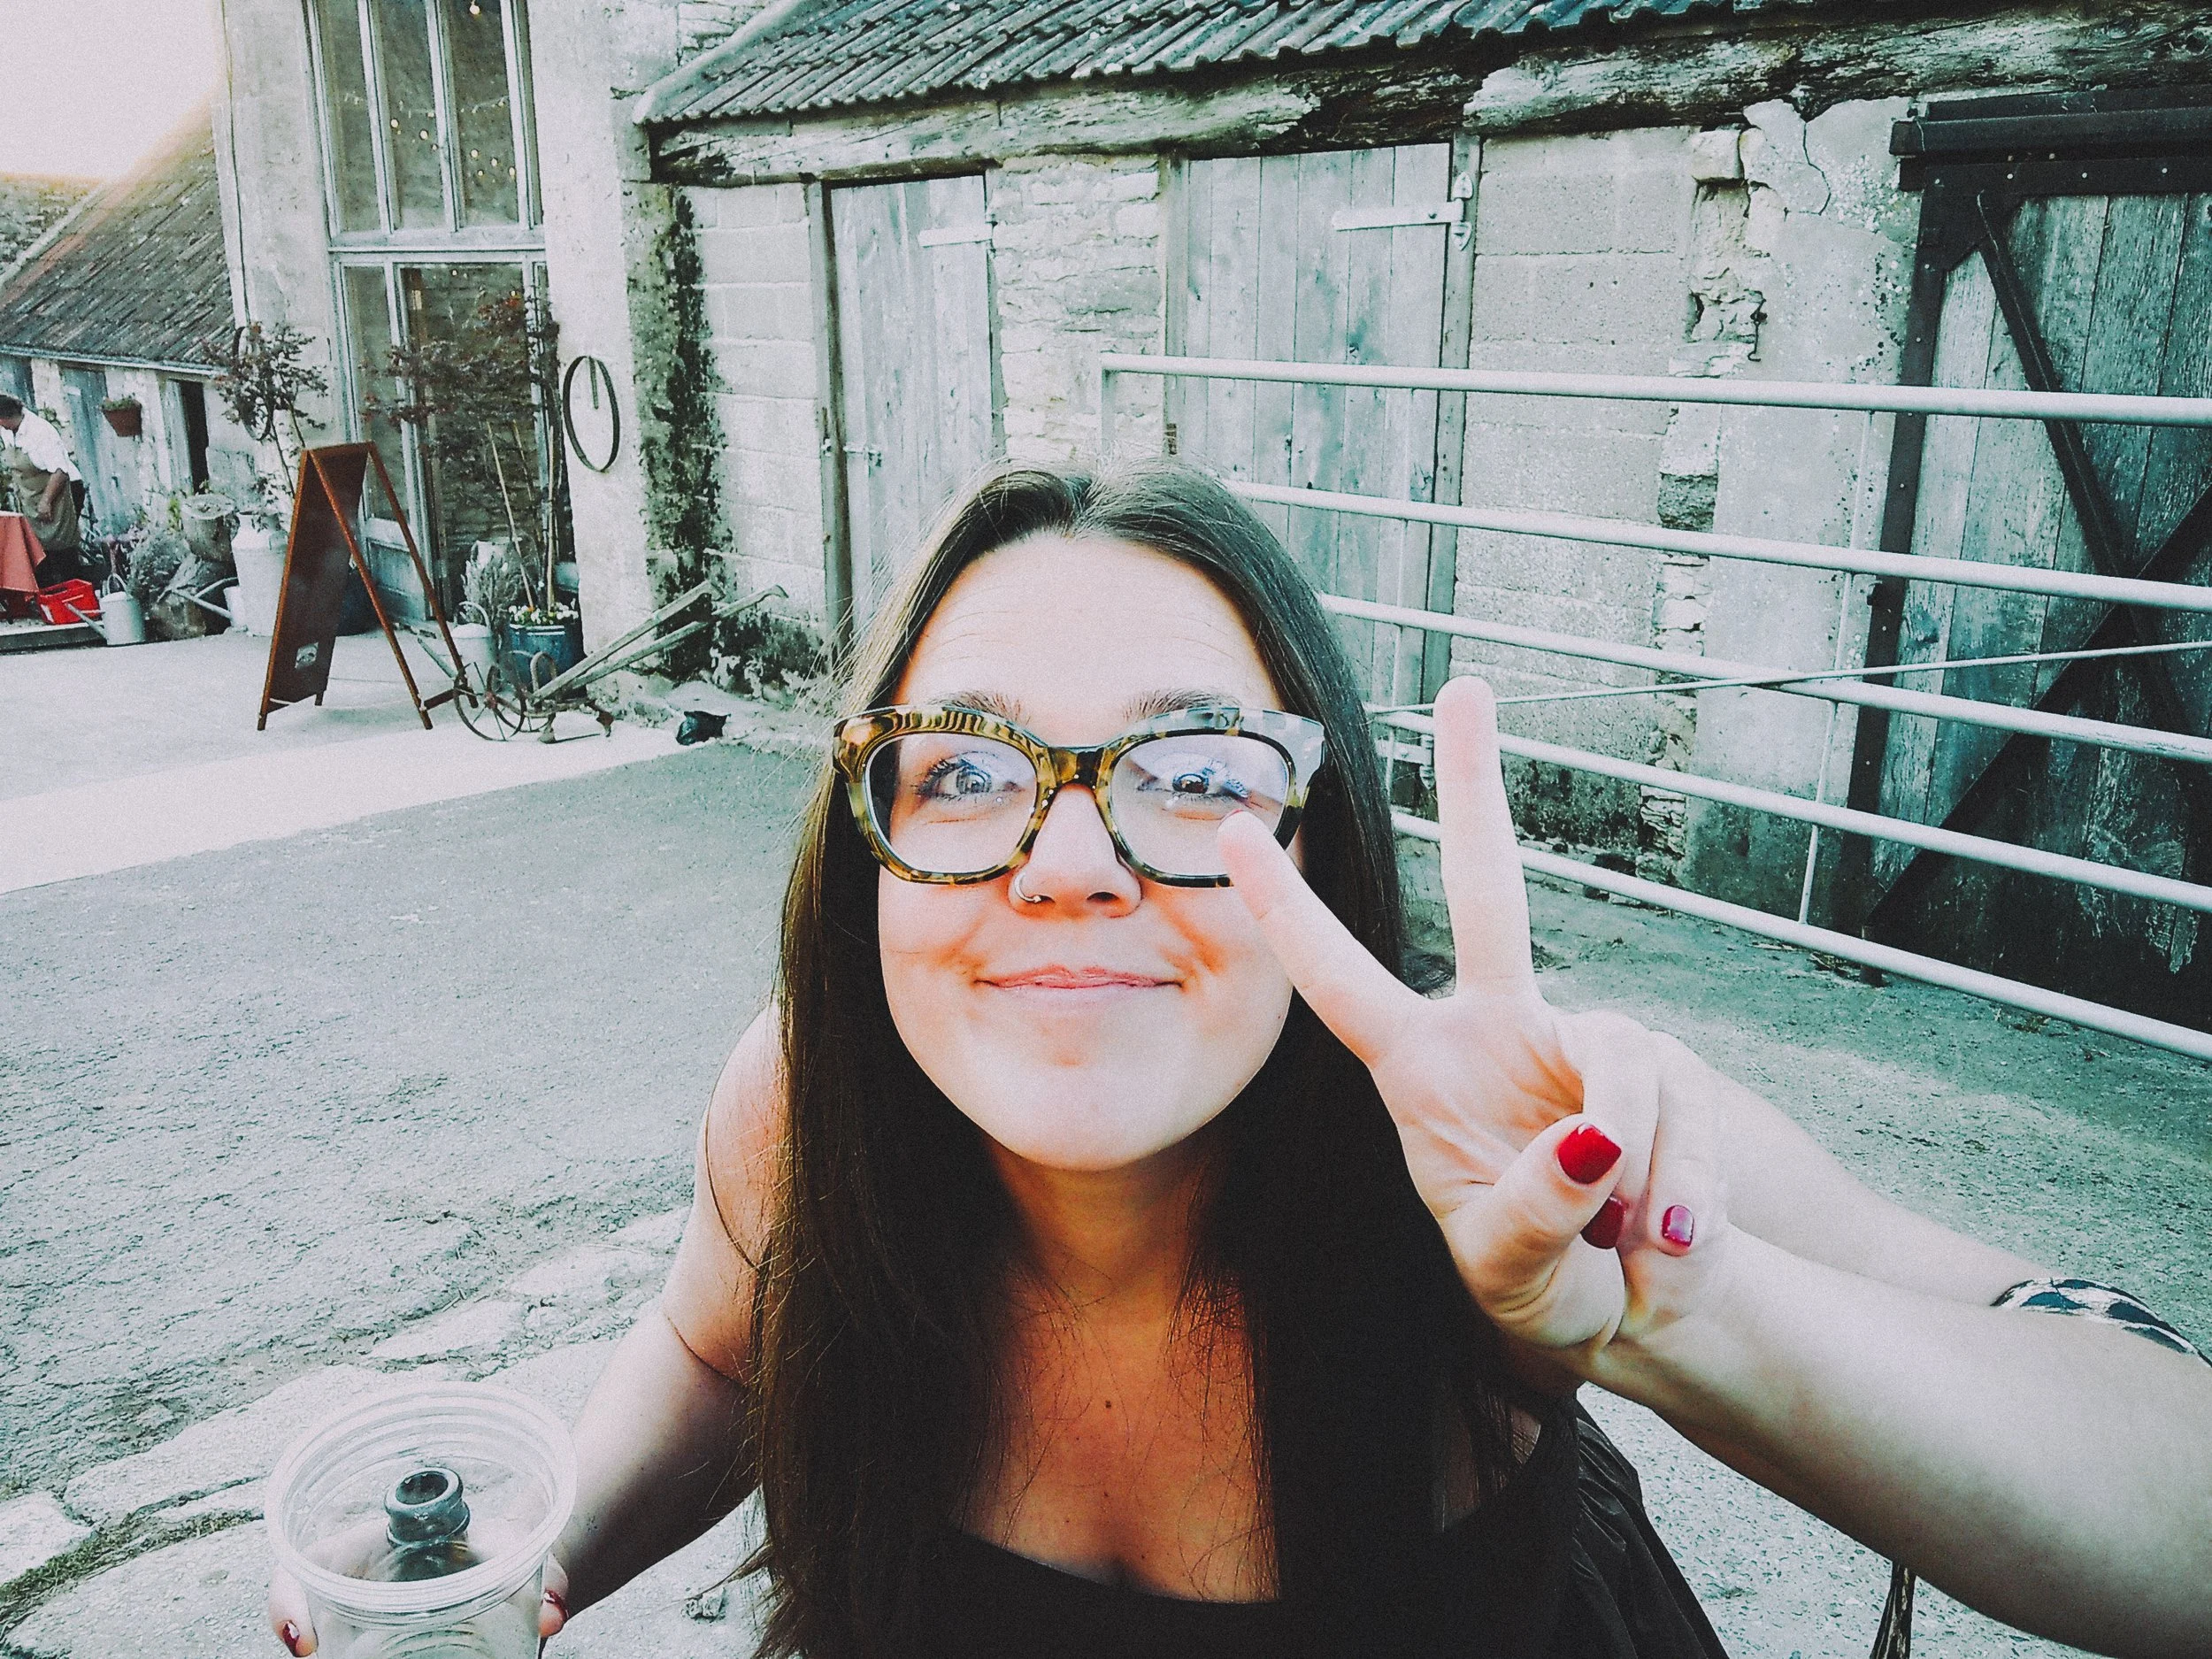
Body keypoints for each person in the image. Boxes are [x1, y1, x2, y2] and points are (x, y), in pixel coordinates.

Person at [273, 463, 2212, 1659]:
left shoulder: (1531, 1142)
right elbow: (714, 1348)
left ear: (1327, 838)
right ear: (863, 838)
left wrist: (1682, 1304)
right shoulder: (813, 1102)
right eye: (960, 766)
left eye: (1195, 775)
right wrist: (526, 1571)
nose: (1061, 860)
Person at [0, 393, 86, 582]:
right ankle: (51, 601)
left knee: (62, 552)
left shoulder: (40, 432)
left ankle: (78, 599)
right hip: (32, 497)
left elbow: (60, 471)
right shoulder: (8, 431)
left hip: (62, 491)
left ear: (4, 418)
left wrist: (46, 501)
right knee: (39, 552)